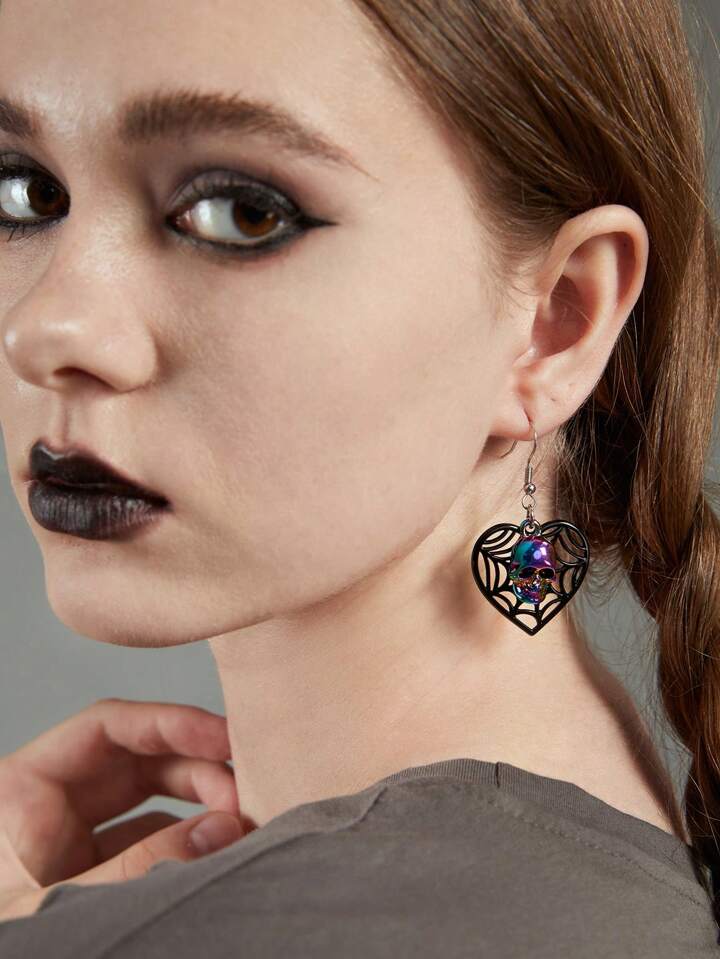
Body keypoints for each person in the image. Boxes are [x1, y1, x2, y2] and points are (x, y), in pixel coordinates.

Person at [0, 0, 717, 954]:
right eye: (25, 192)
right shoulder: (593, 841)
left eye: (238, 212)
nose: (44, 331)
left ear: (558, 320)